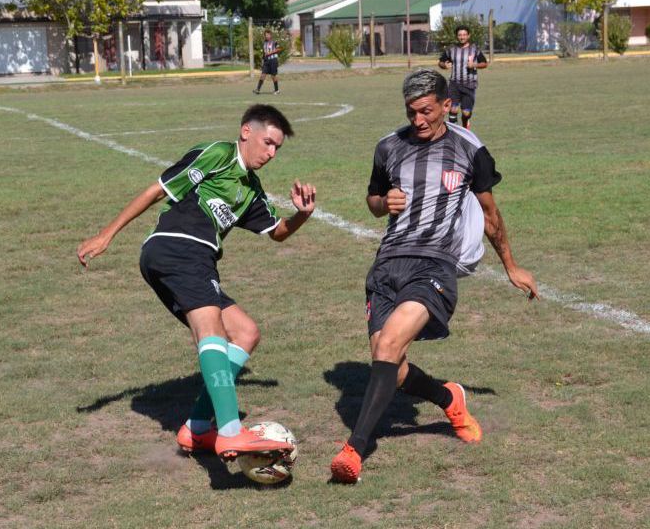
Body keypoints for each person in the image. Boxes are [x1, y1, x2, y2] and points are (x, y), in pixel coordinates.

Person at [330, 69, 538, 484]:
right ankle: (449, 398)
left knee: (388, 346)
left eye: (427, 111)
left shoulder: (468, 148)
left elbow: (492, 216)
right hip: (387, 263)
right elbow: (373, 200)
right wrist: (381, 201)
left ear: (447, 105)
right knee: (389, 361)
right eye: (412, 112)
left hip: (434, 265)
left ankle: (354, 450)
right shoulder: (389, 146)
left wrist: (511, 266)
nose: (419, 120)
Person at [77, 104, 316, 460]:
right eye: (267, 142)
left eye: (277, 148)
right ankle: (231, 432)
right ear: (246, 132)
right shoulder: (218, 154)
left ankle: (198, 428)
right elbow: (157, 190)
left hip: (191, 259)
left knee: (246, 332)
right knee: (212, 332)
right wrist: (106, 234)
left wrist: (301, 214)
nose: (271, 153)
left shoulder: (251, 188)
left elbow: (276, 232)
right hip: (178, 249)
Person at [438, 25, 488, 129]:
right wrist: (444, 65)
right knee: (453, 109)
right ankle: (454, 131)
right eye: (460, 35)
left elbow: (484, 63)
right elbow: (441, 62)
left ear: (468, 36)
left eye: (464, 35)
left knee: (466, 113)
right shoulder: (451, 49)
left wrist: (474, 65)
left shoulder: (475, 49)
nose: (462, 37)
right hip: (454, 84)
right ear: (457, 36)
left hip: (469, 84)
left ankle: (465, 124)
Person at [254, 30, 282, 95]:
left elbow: (279, 49)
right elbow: (264, 53)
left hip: (273, 61)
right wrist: (263, 60)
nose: (267, 36)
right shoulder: (264, 43)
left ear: (270, 35)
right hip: (266, 61)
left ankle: (277, 90)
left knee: (273, 76)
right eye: (265, 35)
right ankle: (258, 89)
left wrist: (270, 53)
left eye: (268, 35)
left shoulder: (274, 42)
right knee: (263, 74)